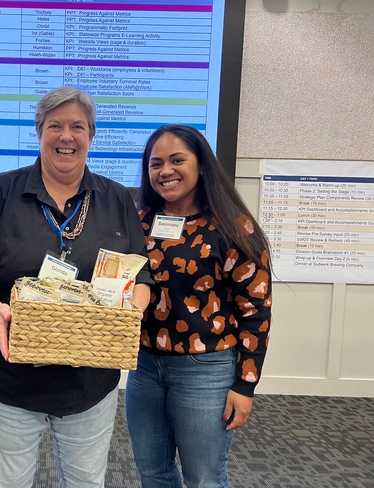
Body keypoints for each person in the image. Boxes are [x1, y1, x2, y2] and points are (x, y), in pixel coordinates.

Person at [0, 86, 154, 488]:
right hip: (9, 378)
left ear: (91, 136)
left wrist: (131, 312)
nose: (66, 136)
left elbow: (142, 277)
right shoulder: (1, 191)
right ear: (39, 132)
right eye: (55, 126)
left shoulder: (116, 198)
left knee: (85, 483)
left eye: (77, 126)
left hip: (89, 383)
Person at [125, 124, 272, 488]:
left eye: (177, 160)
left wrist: (245, 385)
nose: (165, 171)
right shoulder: (138, 222)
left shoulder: (234, 227)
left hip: (206, 370)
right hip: (143, 366)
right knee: (153, 473)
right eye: (156, 163)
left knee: (204, 478)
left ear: (202, 165)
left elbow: (256, 311)